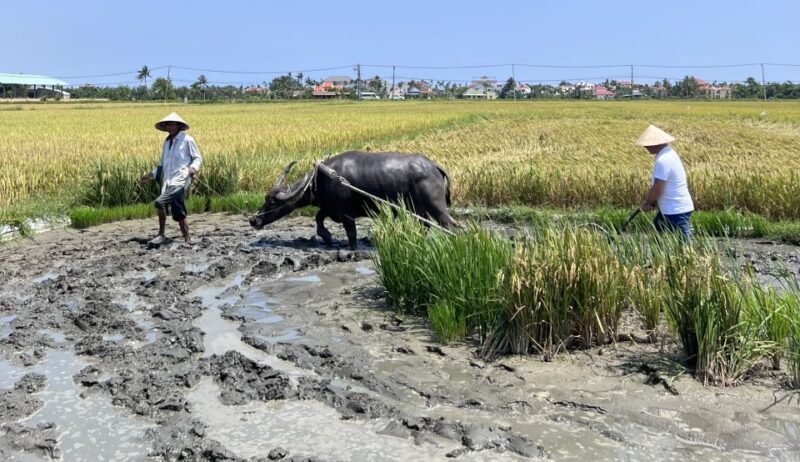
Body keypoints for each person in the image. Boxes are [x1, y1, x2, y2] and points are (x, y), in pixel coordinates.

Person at [140, 112, 202, 245]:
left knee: (160, 202)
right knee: (178, 208)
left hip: (181, 179)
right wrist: (150, 175)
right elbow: (163, 166)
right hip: (168, 180)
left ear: (179, 126)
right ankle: (184, 238)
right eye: (168, 124)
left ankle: (166, 235)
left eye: (172, 124)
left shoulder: (187, 140)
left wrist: (193, 168)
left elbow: (197, 158)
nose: (170, 127)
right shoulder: (166, 142)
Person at [636, 124, 694, 241]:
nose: (645, 147)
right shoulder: (668, 154)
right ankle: (662, 257)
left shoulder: (664, 160)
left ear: (655, 144)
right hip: (669, 208)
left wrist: (647, 203)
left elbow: (658, 188)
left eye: (647, 144)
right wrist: (652, 204)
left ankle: (689, 258)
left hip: (676, 209)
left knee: (683, 243)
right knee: (657, 228)